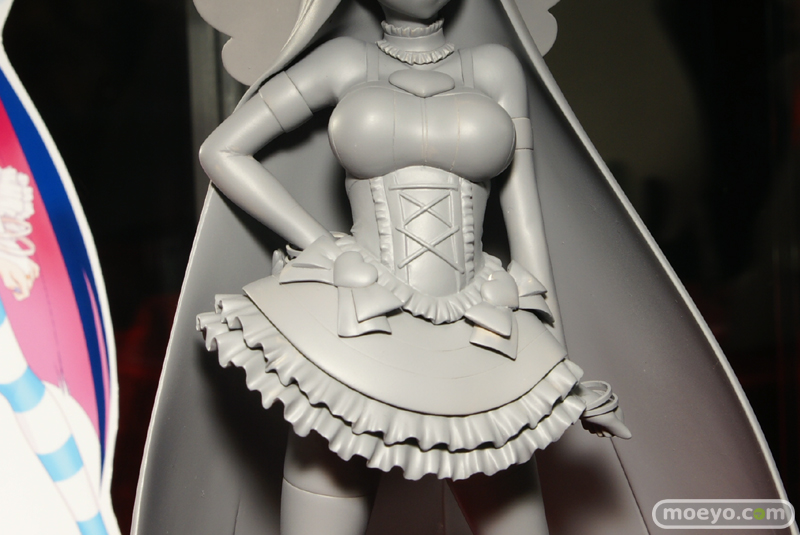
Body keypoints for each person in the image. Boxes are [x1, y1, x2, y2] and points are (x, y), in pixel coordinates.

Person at [196, 1, 630, 533]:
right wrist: (321, 245)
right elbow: (223, 150)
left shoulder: (496, 68)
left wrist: (559, 369)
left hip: (482, 330)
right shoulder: (342, 60)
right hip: (356, 327)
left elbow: (528, 229)